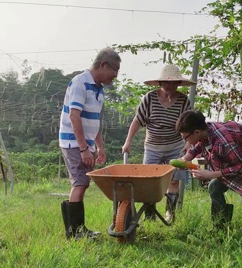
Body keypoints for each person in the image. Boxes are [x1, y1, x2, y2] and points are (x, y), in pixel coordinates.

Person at [176, 110, 242, 243]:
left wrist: (210, 174)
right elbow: (197, 146)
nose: (185, 141)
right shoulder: (205, 131)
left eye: (185, 137)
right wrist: (185, 159)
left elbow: (240, 167)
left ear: (196, 132)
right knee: (214, 188)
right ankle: (220, 228)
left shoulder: (224, 141)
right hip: (236, 160)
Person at [58, 47, 121, 239]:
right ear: (103, 65)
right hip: (74, 143)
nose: (116, 76)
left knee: (82, 183)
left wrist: (99, 146)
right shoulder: (80, 83)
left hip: (86, 144)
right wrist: (84, 148)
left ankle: (76, 229)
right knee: (80, 183)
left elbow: (93, 121)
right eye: (115, 70)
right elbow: (74, 116)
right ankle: (75, 232)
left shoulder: (99, 89)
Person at [121, 64, 195, 222]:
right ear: (160, 83)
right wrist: (128, 141)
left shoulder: (183, 101)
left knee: (174, 180)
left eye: (174, 83)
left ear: (179, 84)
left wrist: (188, 143)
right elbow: (138, 121)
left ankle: (170, 213)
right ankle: (149, 215)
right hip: (153, 146)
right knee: (149, 181)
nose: (171, 86)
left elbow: (190, 124)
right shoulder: (149, 98)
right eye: (167, 82)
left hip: (175, 146)